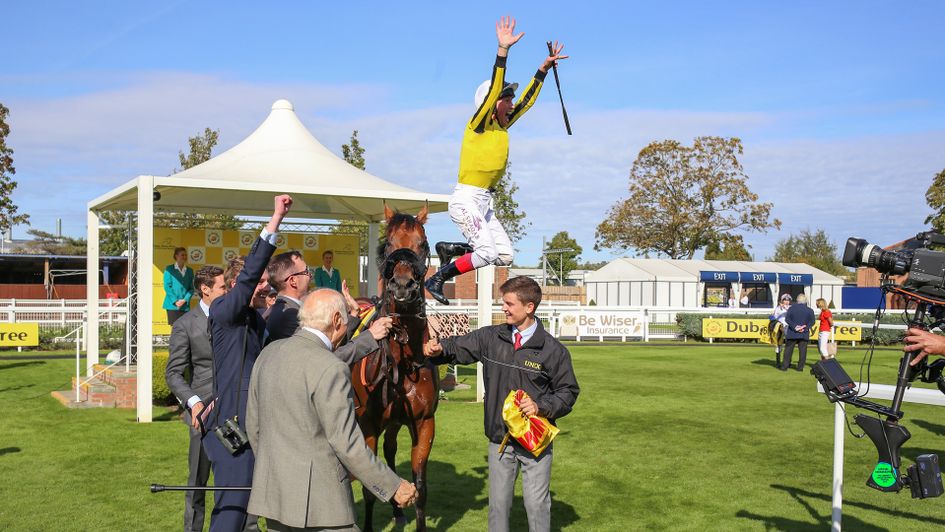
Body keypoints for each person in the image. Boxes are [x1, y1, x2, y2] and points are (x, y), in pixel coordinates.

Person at [246, 289, 417, 531]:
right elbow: (347, 443)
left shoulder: (268, 354)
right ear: (336, 320)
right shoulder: (331, 367)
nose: (346, 329)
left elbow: (254, 427)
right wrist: (393, 486)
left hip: (274, 498)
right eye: (346, 322)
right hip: (323, 505)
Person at [425, 16, 568, 305]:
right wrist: (503, 51)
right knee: (487, 252)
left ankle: (451, 248)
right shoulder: (478, 123)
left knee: (504, 255)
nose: (512, 101)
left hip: (484, 204)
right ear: (492, 104)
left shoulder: (502, 125)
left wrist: (541, 70)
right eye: (507, 98)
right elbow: (494, 92)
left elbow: (527, 101)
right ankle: (437, 278)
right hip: (466, 200)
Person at [423, 276, 579, 532]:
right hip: (499, 441)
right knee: (497, 506)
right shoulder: (491, 337)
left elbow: (568, 391)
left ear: (529, 307)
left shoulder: (554, 350)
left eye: (509, 303)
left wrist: (541, 407)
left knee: (537, 506)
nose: (503, 308)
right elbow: (458, 347)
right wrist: (439, 349)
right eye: (502, 303)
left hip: (534, 443)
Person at [202, 195, 291, 532]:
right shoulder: (225, 310)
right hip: (232, 429)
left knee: (253, 511)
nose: (267, 286)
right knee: (233, 511)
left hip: (257, 424)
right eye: (261, 281)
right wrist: (275, 219)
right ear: (243, 284)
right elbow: (253, 271)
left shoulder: (254, 318)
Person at [165, 265, 226, 532]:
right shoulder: (185, 325)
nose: (228, 291)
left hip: (234, 407)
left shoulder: (232, 318)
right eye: (223, 287)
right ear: (205, 289)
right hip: (202, 415)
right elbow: (174, 373)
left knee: (233, 483)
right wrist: (194, 403)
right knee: (197, 483)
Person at [265, 251, 391, 361]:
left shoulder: (290, 310)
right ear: (293, 281)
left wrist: (353, 313)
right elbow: (326, 359)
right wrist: (370, 336)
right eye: (306, 272)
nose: (311, 275)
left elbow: (331, 344)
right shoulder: (288, 316)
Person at [781, 294, 816, 372]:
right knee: (803, 351)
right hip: (804, 333)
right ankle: (800, 368)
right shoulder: (810, 310)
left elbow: (787, 319)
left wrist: (795, 327)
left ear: (797, 300)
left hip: (792, 332)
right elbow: (812, 322)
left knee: (788, 350)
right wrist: (805, 327)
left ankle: (785, 366)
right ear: (805, 301)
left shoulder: (791, 308)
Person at [164, 246, 195, 325]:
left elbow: (191, 288)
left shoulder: (190, 271)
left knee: (185, 328)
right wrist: (176, 301)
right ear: (176, 256)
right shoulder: (169, 269)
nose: (185, 257)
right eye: (182, 255)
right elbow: (167, 287)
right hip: (172, 305)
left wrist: (184, 300)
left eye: (185, 255)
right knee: (175, 328)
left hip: (185, 305)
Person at [769, 294, 792, 367]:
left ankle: (788, 362)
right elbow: (774, 318)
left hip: (789, 328)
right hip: (780, 328)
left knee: (789, 345)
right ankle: (778, 362)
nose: (786, 302)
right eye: (785, 300)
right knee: (779, 345)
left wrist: (787, 309)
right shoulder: (778, 308)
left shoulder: (791, 308)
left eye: (788, 300)